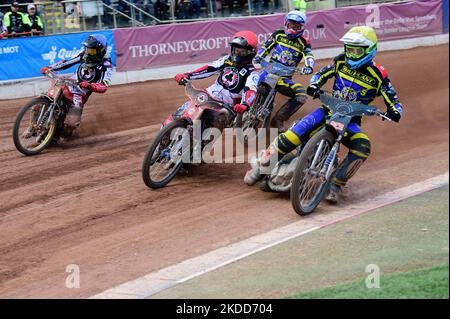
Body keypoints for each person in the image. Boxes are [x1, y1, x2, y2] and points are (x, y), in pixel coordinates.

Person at [244, 26, 404, 203]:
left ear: (369, 50)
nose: (351, 53)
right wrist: (314, 85)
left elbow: (393, 99)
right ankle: (261, 168)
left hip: (350, 121)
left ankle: (336, 184)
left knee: (363, 147)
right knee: (290, 136)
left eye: (356, 50)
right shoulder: (340, 61)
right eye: (349, 48)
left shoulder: (378, 74)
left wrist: (395, 111)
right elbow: (321, 74)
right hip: (326, 111)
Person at [25, 35, 113, 142]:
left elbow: (103, 86)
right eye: (87, 49)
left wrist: (90, 86)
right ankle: (31, 126)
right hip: (69, 83)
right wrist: (50, 68)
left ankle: (58, 135)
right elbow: (66, 63)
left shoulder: (106, 66)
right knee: (39, 102)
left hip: (80, 93)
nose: (88, 53)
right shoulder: (84, 55)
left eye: (92, 51)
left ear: (100, 51)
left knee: (71, 123)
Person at [170, 31, 259, 131]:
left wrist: (245, 105)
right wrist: (187, 75)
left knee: (213, 122)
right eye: (235, 50)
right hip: (208, 95)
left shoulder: (252, 73)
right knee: (179, 113)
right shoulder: (226, 60)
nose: (237, 54)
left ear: (250, 53)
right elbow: (209, 68)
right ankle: (164, 136)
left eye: (241, 51)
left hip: (227, 106)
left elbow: (250, 90)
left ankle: (200, 144)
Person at [253, 10, 315, 131]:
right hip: (269, 70)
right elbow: (266, 46)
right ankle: (239, 108)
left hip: (284, 78)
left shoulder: (304, 42)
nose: (293, 28)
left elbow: (309, 55)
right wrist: (259, 56)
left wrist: (309, 66)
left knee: (301, 95)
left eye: (297, 26)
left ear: (302, 27)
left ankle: (279, 119)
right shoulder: (278, 34)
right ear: (286, 24)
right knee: (252, 83)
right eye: (291, 25)